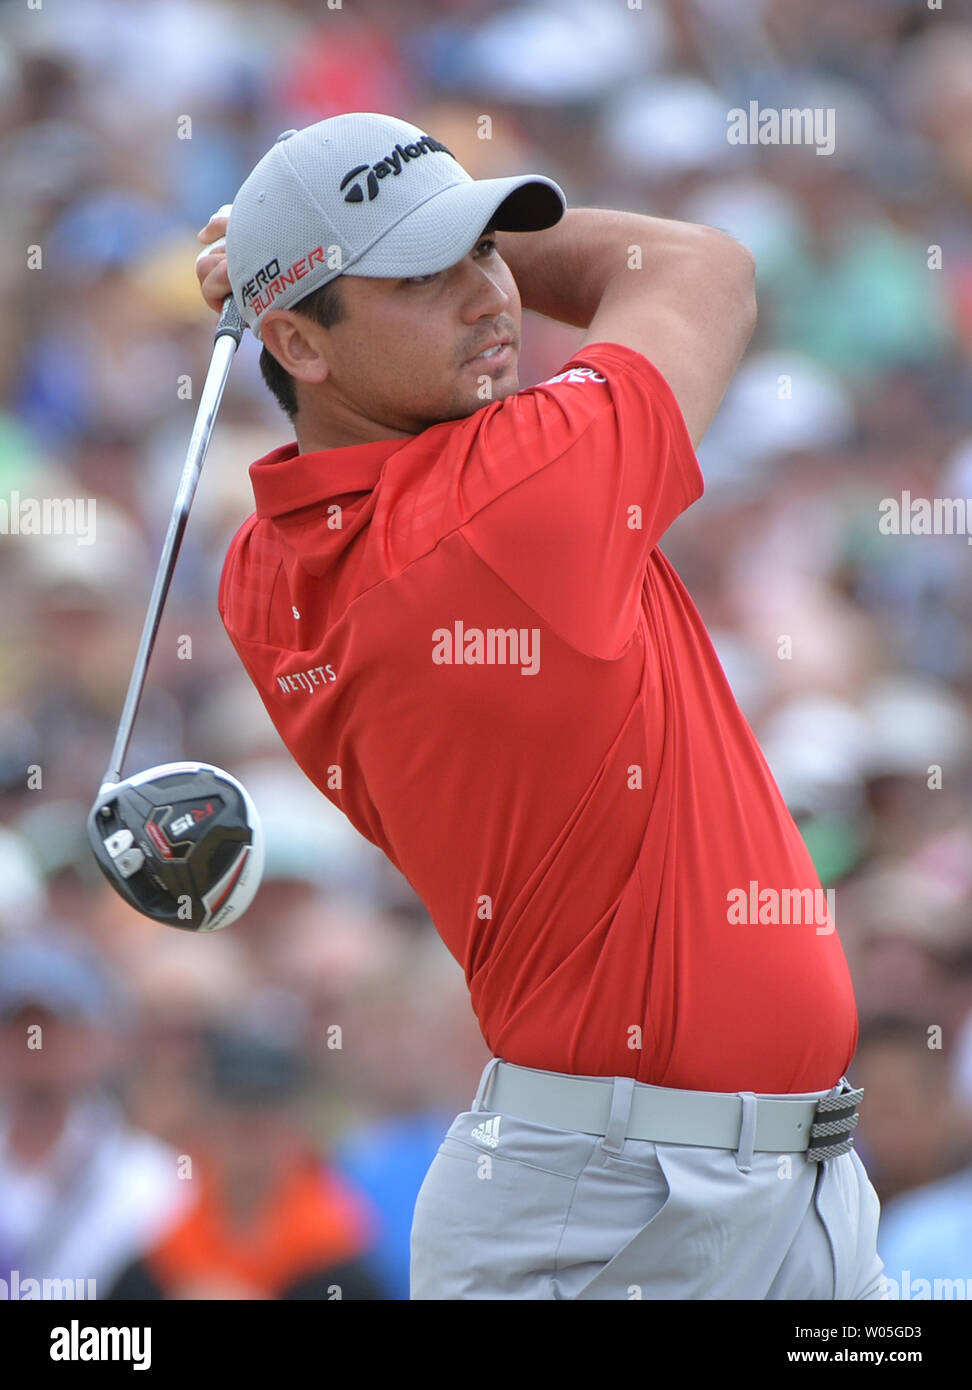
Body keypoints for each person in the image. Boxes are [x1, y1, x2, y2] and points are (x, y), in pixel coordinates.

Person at [194, 112, 885, 1300]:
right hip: (620, 1210)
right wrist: (285, 258)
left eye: (486, 248)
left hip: (762, 1187)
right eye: (423, 275)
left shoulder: (261, 573)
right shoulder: (510, 495)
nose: (489, 296)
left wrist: (299, 262)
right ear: (300, 343)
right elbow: (699, 266)